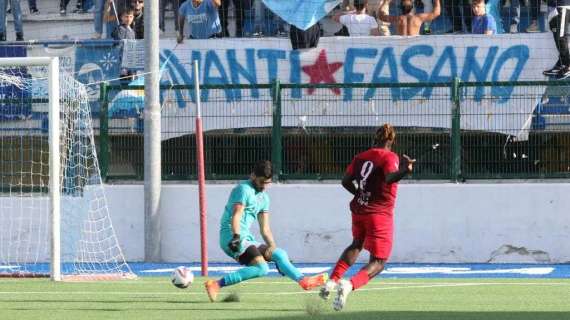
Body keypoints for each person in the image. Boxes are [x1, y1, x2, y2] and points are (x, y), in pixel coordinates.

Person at [319, 124, 415, 311]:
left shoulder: (360, 157)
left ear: (375, 138)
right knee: (378, 262)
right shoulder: (390, 157)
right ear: (392, 140)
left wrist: (358, 194)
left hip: (359, 210)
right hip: (379, 213)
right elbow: (389, 179)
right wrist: (405, 170)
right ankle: (349, 285)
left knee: (357, 243)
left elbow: (345, 181)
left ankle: (331, 281)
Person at [204, 160, 329, 302]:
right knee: (262, 268)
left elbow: (265, 228)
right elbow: (237, 214)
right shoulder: (243, 189)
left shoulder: (264, 198)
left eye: (267, 183)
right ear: (253, 176)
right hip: (230, 235)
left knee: (280, 254)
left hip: (246, 238)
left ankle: (304, 282)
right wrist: (236, 236)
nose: (264, 186)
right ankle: (216, 284)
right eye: (261, 182)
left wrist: (272, 248)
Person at [543, 1, 570, 79]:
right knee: (557, 36)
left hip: (563, 5)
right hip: (553, 7)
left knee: (560, 37)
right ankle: (561, 64)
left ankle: (568, 65)